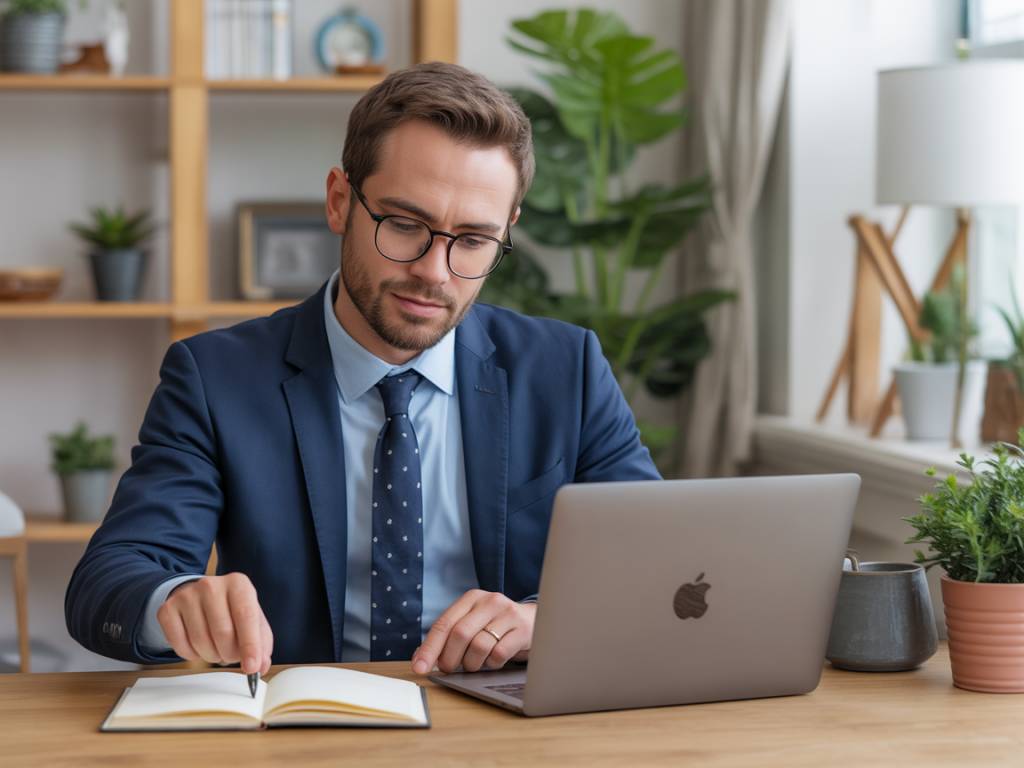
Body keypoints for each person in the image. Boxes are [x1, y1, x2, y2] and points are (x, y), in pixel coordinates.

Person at [65, 62, 660, 679]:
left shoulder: (567, 369)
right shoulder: (215, 377)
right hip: (305, 726)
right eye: (404, 225)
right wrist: (175, 602)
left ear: (506, 232)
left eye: (474, 240)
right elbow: (108, 580)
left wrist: (549, 619)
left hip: (505, 726)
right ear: (340, 201)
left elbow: (660, 563)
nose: (435, 271)